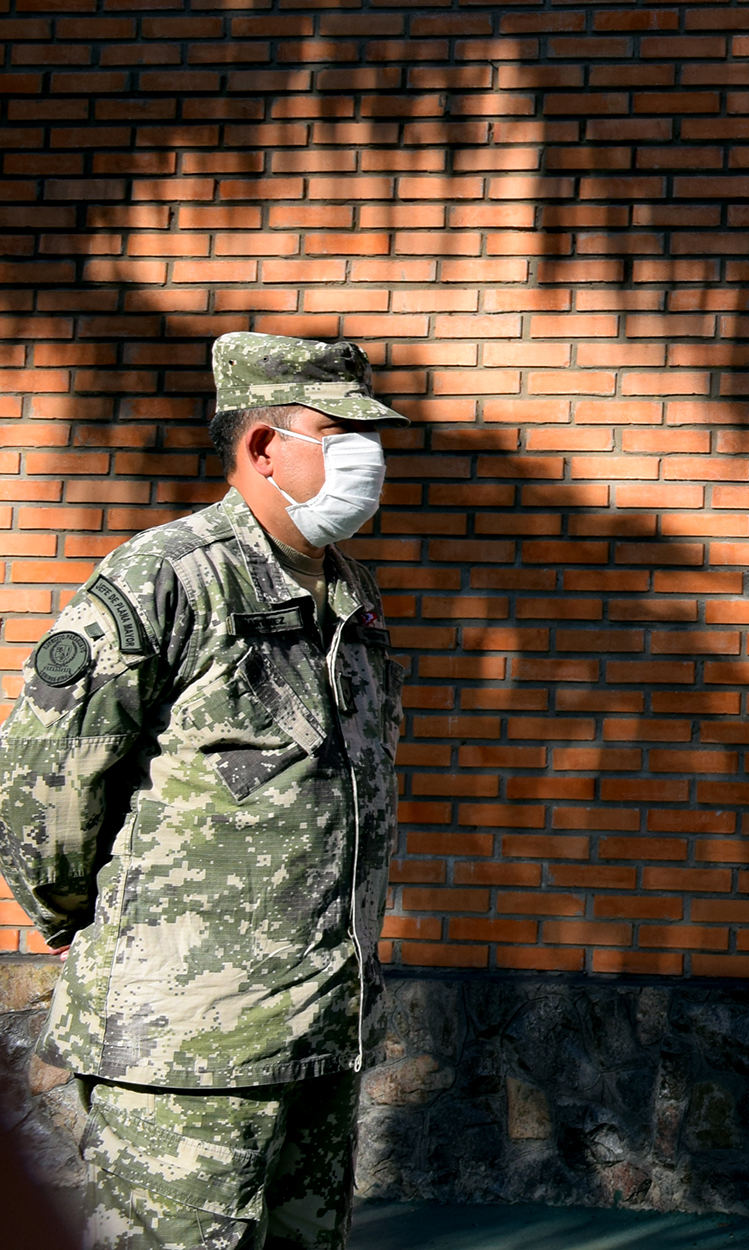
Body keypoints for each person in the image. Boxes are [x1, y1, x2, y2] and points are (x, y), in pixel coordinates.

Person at [0, 332, 406, 1250]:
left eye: (371, 435)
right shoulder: (169, 576)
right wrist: (89, 923)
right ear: (263, 446)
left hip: (319, 1035)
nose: (368, 457)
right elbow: (42, 780)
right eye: (340, 434)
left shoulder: (352, 595)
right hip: (186, 1044)